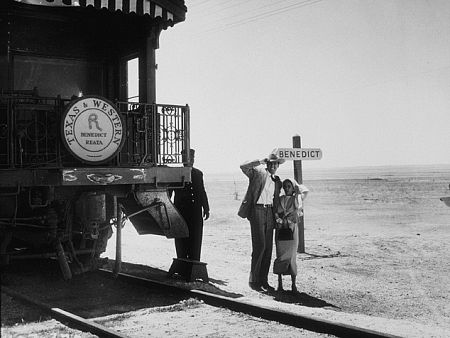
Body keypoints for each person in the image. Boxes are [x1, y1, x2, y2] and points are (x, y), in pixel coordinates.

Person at [239, 153, 285, 292]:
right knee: (260, 246)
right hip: (257, 210)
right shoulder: (257, 173)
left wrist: (278, 217)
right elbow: (243, 166)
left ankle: (264, 280)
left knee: (268, 249)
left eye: (275, 164)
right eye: (270, 163)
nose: (273, 166)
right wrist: (259, 161)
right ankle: (254, 280)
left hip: (270, 212)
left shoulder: (277, 181)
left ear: (278, 166)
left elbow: (276, 200)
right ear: (267, 164)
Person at [173, 149, 210, 261]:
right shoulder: (176, 174)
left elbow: (202, 191)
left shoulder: (198, 174)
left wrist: (206, 208)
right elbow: (169, 192)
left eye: (192, 158)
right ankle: (182, 262)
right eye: (188, 158)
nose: (190, 160)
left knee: (196, 238)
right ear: (183, 159)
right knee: (181, 239)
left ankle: (195, 264)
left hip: (195, 212)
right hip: (180, 211)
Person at [273, 178, 309, 293]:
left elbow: (305, 191)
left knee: (292, 256)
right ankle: (280, 284)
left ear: (293, 188)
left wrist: (297, 187)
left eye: (289, 186)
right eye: (285, 186)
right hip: (280, 229)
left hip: (292, 230)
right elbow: (275, 212)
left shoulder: (297, 199)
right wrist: (279, 219)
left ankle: (293, 285)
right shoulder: (280, 199)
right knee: (280, 255)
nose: (286, 188)